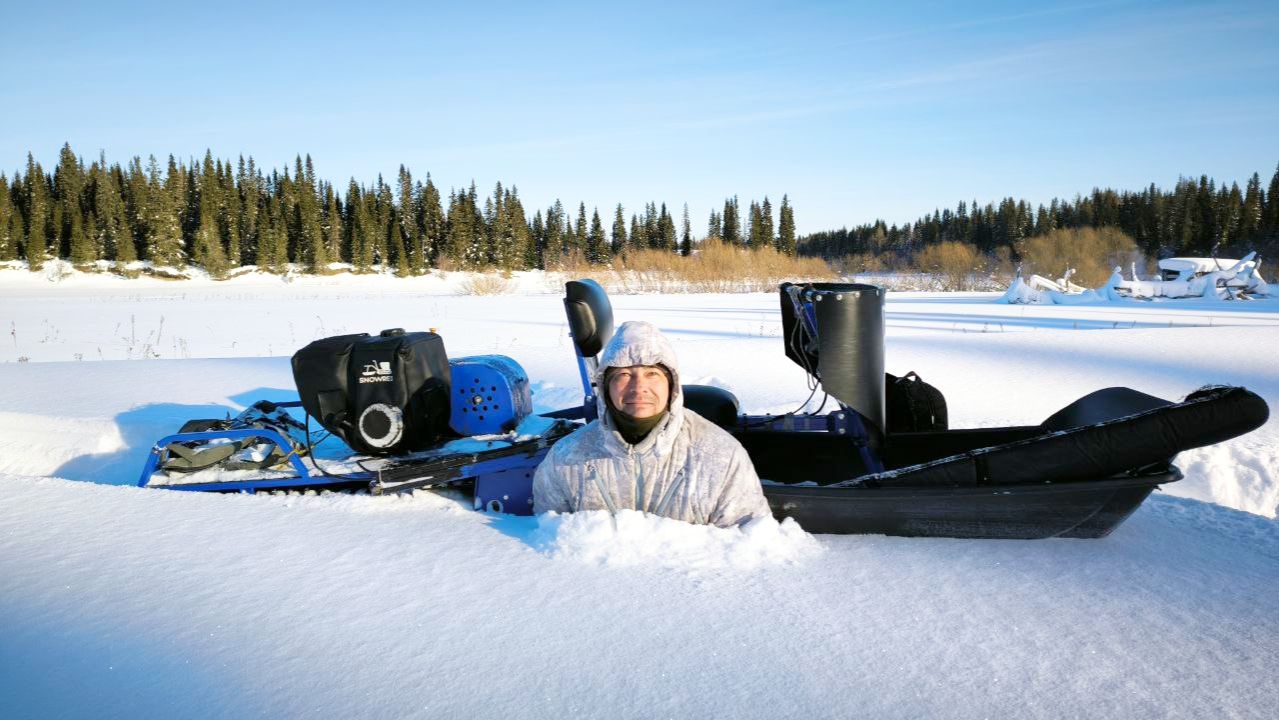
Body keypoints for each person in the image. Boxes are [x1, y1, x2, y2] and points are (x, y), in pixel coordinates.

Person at [532, 320, 773, 527]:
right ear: (606, 388)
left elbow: (748, 546)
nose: (638, 388)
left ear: (672, 386)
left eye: (652, 374)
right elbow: (553, 542)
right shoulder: (566, 458)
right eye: (623, 375)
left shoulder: (720, 456)